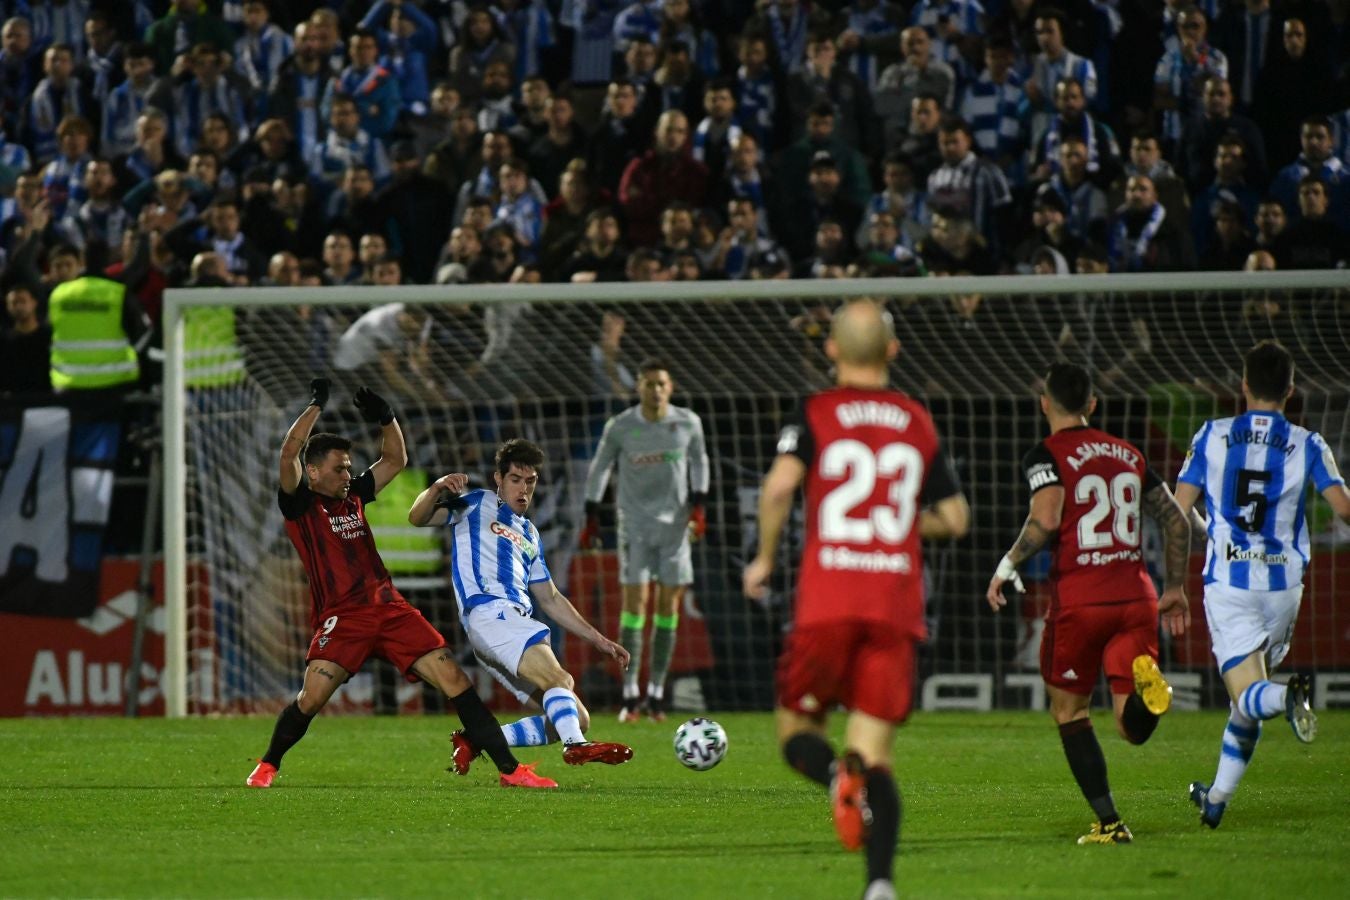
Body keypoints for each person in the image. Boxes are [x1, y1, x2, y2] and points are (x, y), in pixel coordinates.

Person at [743, 300, 970, 900]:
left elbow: (780, 487)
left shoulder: (816, 411)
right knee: (877, 756)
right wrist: (892, 527)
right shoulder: (917, 420)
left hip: (827, 601)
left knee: (796, 730)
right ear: (893, 351)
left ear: (832, 350)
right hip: (894, 607)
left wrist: (765, 558)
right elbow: (955, 517)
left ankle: (834, 778)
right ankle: (880, 886)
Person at [246, 380, 557, 790]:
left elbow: (395, 458)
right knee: (312, 699)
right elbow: (289, 452)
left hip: (390, 609)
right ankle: (268, 765)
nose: (348, 474)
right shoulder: (300, 504)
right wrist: (317, 405)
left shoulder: (353, 495)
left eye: (349, 467)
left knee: (456, 682)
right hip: (343, 616)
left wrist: (386, 416)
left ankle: (510, 770)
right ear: (315, 470)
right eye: (339, 467)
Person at [985, 362, 1193, 845]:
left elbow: (1047, 517)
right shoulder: (1128, 453)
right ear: (1092, 405)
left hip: (1081, 601)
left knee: (1070, 712)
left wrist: (1007, 563)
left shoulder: (1045, 454)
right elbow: (1178, 522)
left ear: (1045, 403)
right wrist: (1176, 589)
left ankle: (1110, 822)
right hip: (1136, 597)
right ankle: (1147, 688)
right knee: (1130, 728)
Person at [1174, 341, 1350, 828]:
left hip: (1229, 583)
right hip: (1283, 589)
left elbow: (1176, 507)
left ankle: (1286, 697)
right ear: (1291, 390)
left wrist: (1198, 543)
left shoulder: (1212, 435)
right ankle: (1216, 799)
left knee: (1253, 691)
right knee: (1241, 700)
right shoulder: (1309, 443)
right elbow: (1344, 509)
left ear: (1243, 385)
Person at [408, 439, 635, 771]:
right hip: (491, 612)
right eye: (516, 479)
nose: (523, 489)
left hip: (505, 625)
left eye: (530, 481)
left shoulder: (529, 533)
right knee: (561, 680)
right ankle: (576, 748)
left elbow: (550, 597)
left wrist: (599, 640)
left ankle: (475, 739)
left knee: (575, 717)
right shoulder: (476, 504)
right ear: (499, 479)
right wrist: (437, 488)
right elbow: (417, 517)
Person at [579, 359, 710, 721]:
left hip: (675, 526)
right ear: (639, 387)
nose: (656, 390)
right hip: (634, 525)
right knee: (635, 608)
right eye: (649, 383)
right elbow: (600, 468)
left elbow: (700, 462)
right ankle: (630, 693)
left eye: (661, 384)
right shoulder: (621, 426)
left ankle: (656, 693)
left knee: (668, 610)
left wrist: (699, 506)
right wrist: (591, 513)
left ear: (671, 387)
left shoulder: (688, 423)